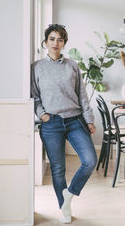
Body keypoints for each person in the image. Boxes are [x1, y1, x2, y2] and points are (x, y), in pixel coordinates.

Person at [31, 24, 97, 224]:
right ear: (45, 42)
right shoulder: (36, 67)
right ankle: (64, 208)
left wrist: (89, 120)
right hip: (51, 123)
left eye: (60, 39)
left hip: (75, 120)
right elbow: (34, 96)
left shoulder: (72, 66)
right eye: (52, 39)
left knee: (90, 160)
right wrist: (42, 115)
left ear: (64, 43)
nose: (55, 43)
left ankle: (69, 194)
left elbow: (82, 95)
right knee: (58, 169)